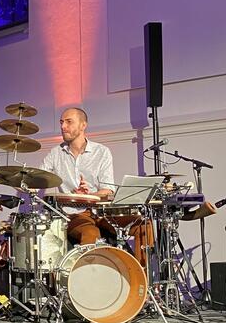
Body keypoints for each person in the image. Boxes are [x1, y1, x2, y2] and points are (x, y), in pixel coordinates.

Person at [40, 107, 153, 266]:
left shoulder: (102, 152)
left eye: (69, 122)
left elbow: (108, 189)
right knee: (90, 233)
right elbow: (37, 178)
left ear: (83, 125)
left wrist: (89, 195)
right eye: (61, 122)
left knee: (143, 224)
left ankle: (141, 277)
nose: (63, 126)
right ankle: (87, 281)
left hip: (102, 212)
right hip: (74, 215)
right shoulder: (55, 154)